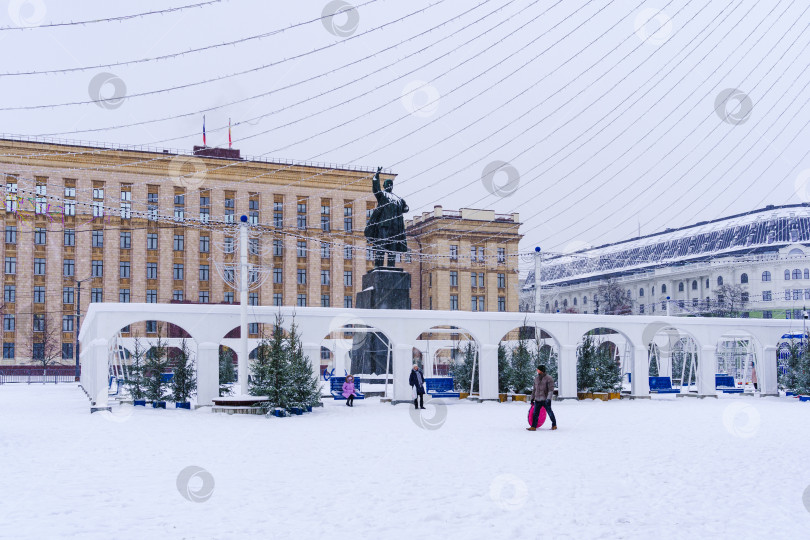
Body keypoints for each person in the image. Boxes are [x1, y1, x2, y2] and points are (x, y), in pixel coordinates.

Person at [527, 365, 557, 431]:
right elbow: (534, 389)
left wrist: (548, 399)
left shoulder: (549, 378)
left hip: (545, 399)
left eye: (538, 369)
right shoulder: (536, 379)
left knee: (550, 412)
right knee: (535, 413)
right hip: (537, 399)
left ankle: (554, 425)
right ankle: (533, 427)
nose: (537, 370)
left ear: (541, 370)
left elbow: (551, 390)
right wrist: (532, 398)